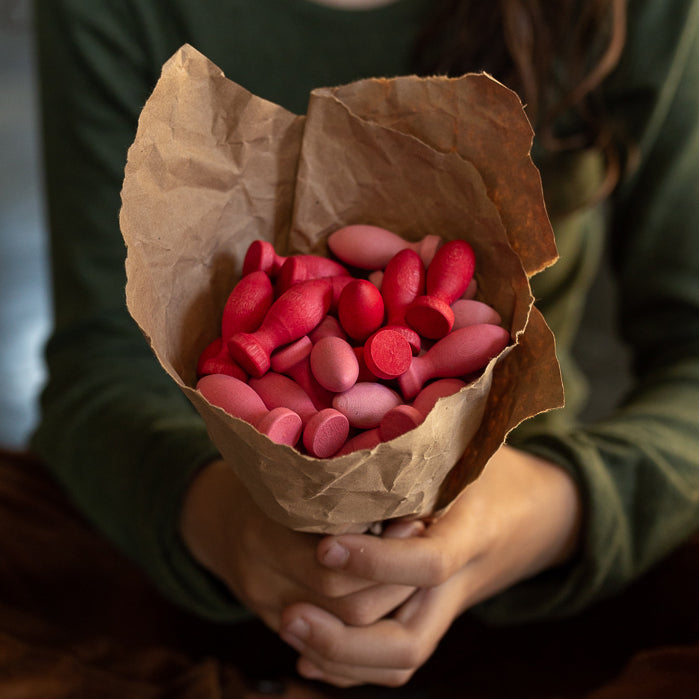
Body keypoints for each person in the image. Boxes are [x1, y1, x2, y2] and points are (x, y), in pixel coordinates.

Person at [31, 0, 699, 690]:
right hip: (202, 583)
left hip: (546, 568)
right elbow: (96, 366)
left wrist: (546, 511)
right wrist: (223, 523)